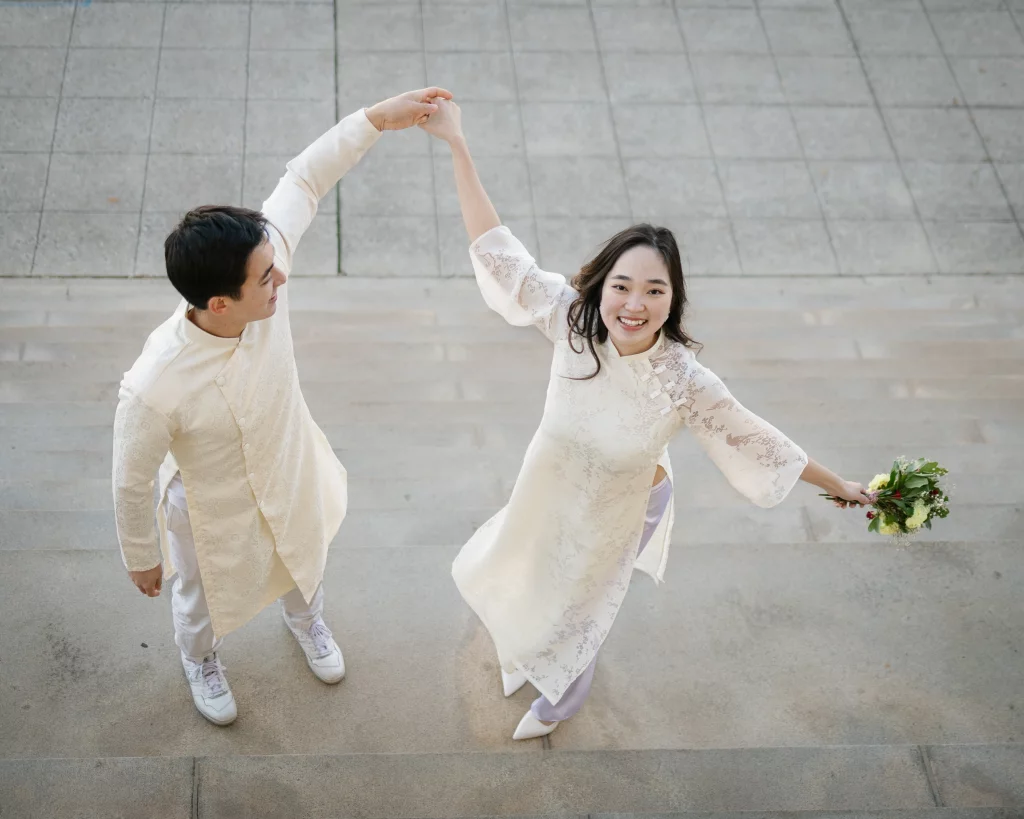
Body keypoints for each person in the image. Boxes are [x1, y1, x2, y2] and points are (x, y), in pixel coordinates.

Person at [419, 99, 871, 741]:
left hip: (623, 501)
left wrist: (842, 486)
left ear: (672, 300)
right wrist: (458, 146)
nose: (634, 304)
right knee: (527, 570)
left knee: (582, 599)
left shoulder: (686, 379)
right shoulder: (571, 321)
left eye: (655, 291)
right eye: (623, 285)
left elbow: (761, 440)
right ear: (601, 285)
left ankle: (565, 691)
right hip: (549, 482)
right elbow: (496, 249)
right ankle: (530, 651)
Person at [112, 88, 453, 725]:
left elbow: (304, 178)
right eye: (265, 278)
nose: (282, 279)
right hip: (209, 503)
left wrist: (378, 118)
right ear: (219, 304)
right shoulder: (154, 383)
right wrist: (141, 553)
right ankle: (200, 658)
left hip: (288, 459)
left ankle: (308, 622)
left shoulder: (262, 262)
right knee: (202, 593)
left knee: (306, 550)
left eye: (273, 265)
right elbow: (131, 477)